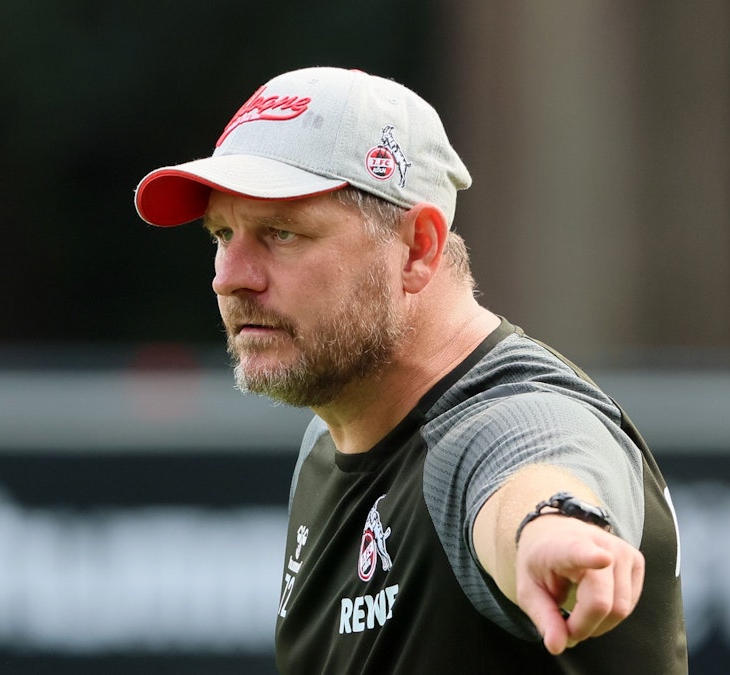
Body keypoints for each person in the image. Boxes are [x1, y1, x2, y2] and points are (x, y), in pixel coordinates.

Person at [134, 66, 687, 673]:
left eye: (282, 233)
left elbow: (533, 467)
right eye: (221, 233)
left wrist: (553, 532)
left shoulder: (498, 421)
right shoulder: (329, 439)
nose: (228, 276)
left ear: (419, 247)